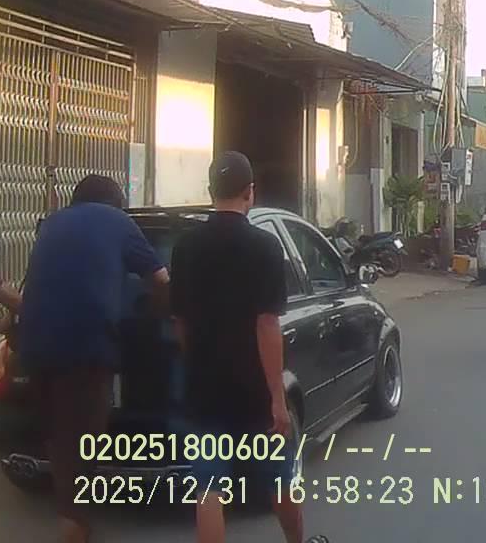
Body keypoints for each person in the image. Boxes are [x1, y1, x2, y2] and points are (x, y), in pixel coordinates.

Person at [169, 152, 320, 543]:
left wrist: (193, 364)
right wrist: (277, 398)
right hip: (253, 389)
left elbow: (179, 321)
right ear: (249, 192)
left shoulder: (185, 247)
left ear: (210, 191)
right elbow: (266, 324)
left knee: (208, 488)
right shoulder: (265, 246)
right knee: (279, 480)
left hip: (204, 386)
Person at [18, 175, 169, 543]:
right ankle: (75, 526)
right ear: (116, 203)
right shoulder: (118, 221)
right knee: (82, 447)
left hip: (33, 345)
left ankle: (71, 512)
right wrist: (159, 316)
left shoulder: (52, 223)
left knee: (59, 438)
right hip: (85, 347)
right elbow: (162, 280)